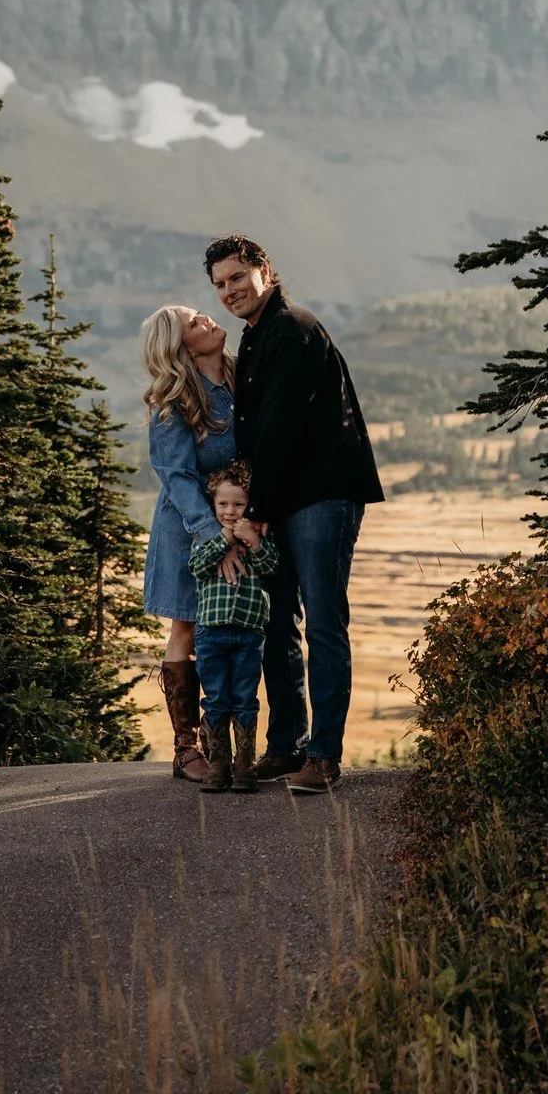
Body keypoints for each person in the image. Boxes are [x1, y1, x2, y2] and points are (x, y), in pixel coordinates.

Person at [206, 233, 384, 795]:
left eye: (237, 277)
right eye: (218, 285)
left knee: (324, 621)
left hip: (320, 497)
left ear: (264, 270)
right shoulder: (255, 338)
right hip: (278, 504)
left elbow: (279, 429)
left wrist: (255, 511)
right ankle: (286, 746)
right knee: (276, 622)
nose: (228, 291)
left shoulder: (295, 330)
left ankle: (324, 756)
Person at [139, 303, 240, 783]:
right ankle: (187, 749)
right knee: (189, 630)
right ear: (181, 347)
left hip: (237, 528)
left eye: (201, 314)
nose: (209, 321)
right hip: (189, 530)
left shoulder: (240, 380)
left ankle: (224, 746)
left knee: (232, 631)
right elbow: (177, 477)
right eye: (194, 324)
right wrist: (215, 539)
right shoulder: (174, 399)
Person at [189, 462, 279, 795]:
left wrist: (253, 542)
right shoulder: (206, 537)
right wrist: (223, 539)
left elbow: (272, 568)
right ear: (213, 505)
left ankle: (244, 765)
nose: (230, 511)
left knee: (245, 698)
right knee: (215, 699)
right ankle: (218, 765)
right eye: (223, 504)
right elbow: (197, 567)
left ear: (249, 505)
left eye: (238, 504)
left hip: (248, 633)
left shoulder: (258, 536)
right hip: (211, 632)